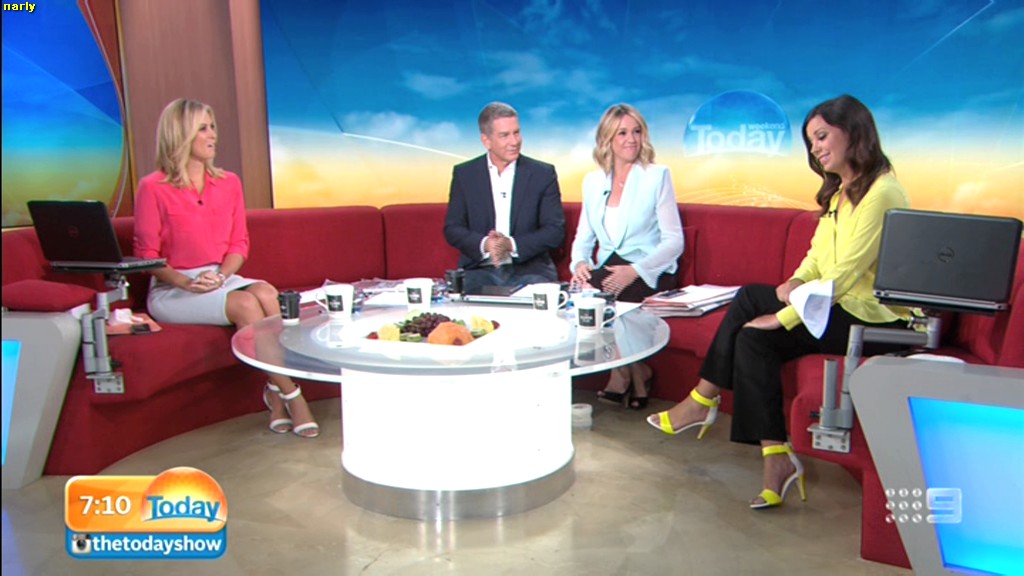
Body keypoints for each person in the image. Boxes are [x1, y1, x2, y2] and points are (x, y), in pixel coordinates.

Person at [646, 95, 911, 509]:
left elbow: (845, 273)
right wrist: (797, 280)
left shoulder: (883, 192)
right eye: (811, 141)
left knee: (754, 302)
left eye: (822, 136)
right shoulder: (840, 193)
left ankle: (701, 400)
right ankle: (776, 458)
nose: (816, 148)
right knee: (751, 337)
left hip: (875, 319)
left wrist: (784, 316)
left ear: (853, 132)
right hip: (835, 307)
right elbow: (819, 257)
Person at [134, 98, 319, 439]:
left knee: (266, 293)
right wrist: (185, 282)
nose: (213, 135)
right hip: (174, 288)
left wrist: (220, 275)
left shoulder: (229, 182)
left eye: (213, 127)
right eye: (203, 128)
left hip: (221, 276)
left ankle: (275, 393)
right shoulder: (153, 187)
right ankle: (293, 396)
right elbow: (146, 255)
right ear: (181, 134)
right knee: (246, 303)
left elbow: (239, 244)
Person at [570, 104, 683, 409]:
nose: (631, 139)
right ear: (607, 139)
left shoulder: (656, 176)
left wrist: (635, 270)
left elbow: (674, 241)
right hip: (608, 267)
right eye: (622, 133)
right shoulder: (593, 182)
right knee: (585, 296)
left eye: (636, 131)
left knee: (613, 298)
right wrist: (580, 264)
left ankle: (622, 374)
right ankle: (633, 371)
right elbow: (583, 238)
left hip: (650, 268)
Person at [444, 102, 566, 294]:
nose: (514, 141)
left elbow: (554, 231)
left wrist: (510, 245)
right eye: (504, 135)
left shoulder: (542, 174)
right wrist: (486, 244)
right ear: (486, 140)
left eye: (516, 133)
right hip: (479, 270)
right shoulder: (465, 174)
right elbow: (453, 228)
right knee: (468, 301)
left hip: (530, 270)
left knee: (535, 296)